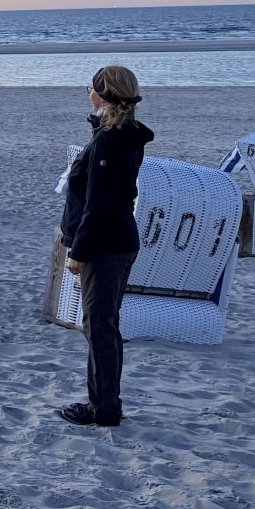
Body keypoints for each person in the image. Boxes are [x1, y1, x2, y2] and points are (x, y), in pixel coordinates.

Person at [58, 65, 153, 426]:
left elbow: (99, 204)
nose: (87, 92)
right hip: (119, 240)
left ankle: (104, 408)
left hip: (107, 245)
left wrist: (78, 252)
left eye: (90, 87)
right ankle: (105, 402)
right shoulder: (122, 134)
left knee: (99, 326)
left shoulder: (110, 141)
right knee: (105, 325)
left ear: (102, 94)